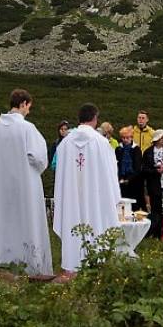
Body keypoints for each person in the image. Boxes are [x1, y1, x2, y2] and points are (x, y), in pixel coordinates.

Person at [0, 89, 53, 276]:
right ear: (23, 103)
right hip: (25, 187)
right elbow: (40, 159)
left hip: (2, 189)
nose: (28, 111)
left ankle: (2, 263)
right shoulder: (27, 128)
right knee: (27, 222)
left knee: (5, 224)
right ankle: (32, 267)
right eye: (29, 107)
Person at [53, 102, 122, 279]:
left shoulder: (65, 144)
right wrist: (113, 195)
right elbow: (110, 172)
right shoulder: (102, 143)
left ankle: (72, 265)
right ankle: (96, 261)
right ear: (95, 118)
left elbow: (60, 175)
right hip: (95, 198)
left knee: (72, 223)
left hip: (71, 198)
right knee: (97, 223)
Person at [142, 129, 163, 234]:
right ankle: (156, 229)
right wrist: (155, 171)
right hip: (154, 182)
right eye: (161, 138)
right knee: (155, 207)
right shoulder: (148, 152)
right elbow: (144, 168)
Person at [115, 125, 144, 210]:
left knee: (133, 203)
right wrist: (120, 178)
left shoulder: (136, 149)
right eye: (123, 138)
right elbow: (117, 165)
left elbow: (137, 167)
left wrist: (129, 179)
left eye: (127, 138)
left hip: (134, 180)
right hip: (121, 179)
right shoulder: (118, 149)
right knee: (122, 202)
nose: (125, 140)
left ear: (131, 137)